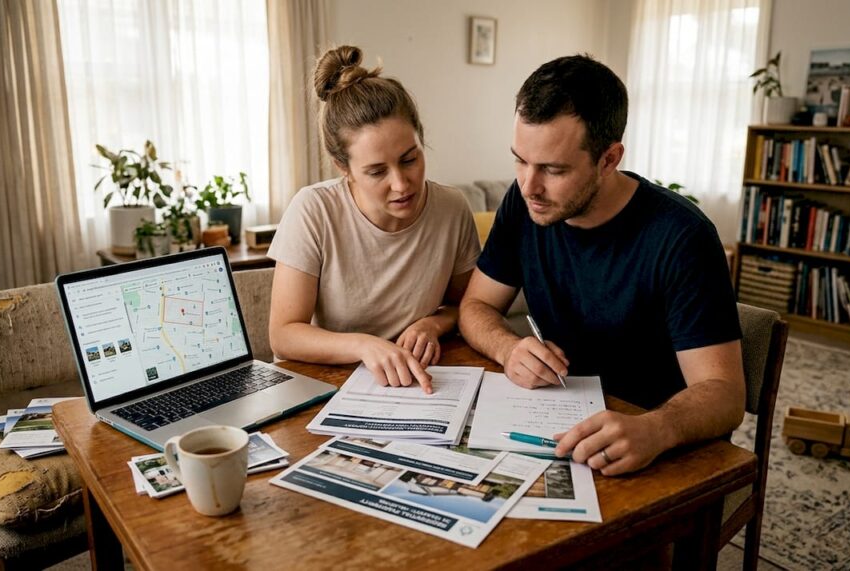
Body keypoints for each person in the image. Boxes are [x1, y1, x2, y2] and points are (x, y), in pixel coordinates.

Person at [458, 54, 745, 476]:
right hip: (560, 424)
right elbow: (475, 306)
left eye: (553, 169)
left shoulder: (682, 238)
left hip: (655, 443)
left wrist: (656, 428)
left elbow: (724, 394)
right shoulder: (524, 207)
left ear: (609, 159)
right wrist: (508, 348)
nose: (528, 185)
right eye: (520, 159)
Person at [267, 46, 480, 394]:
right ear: (343, 168)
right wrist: (364, 346)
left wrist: (432, 325)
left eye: (410, 159)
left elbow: (465, 306)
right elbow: (284, 335)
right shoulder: (314, 210)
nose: (401, 184)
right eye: (376, 171)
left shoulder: (452, 208)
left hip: (417, 384)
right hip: (326, 387)